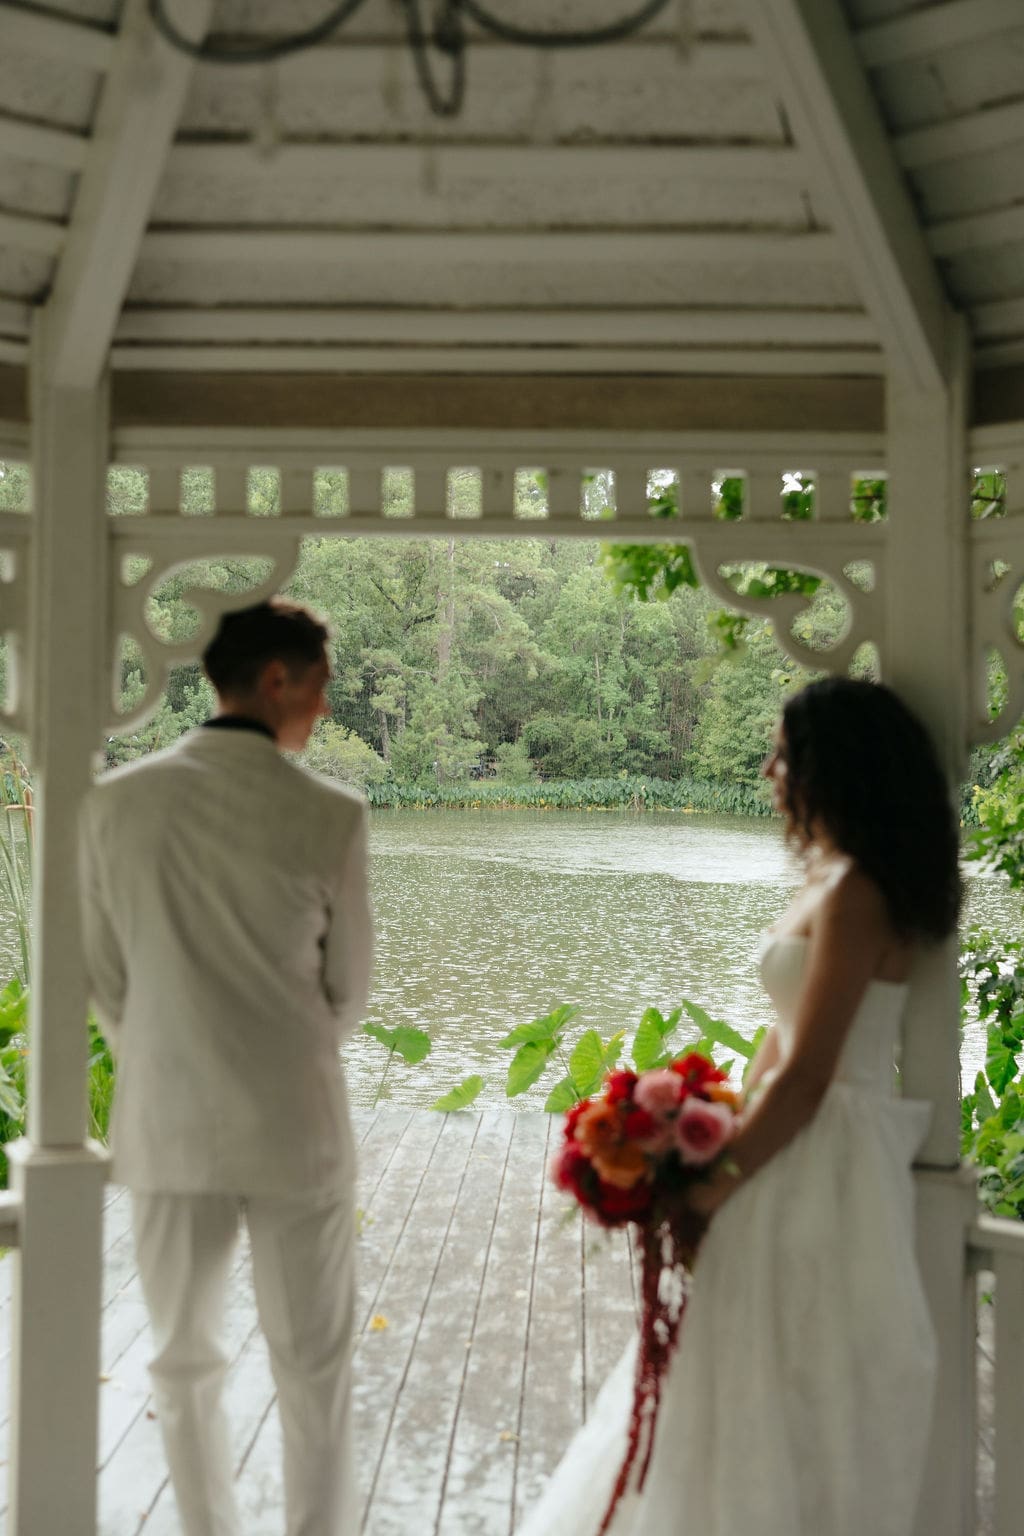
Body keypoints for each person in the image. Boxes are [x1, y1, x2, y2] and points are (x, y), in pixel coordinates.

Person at [519, 677, 961, 1536]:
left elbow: (809, 1071)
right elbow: (777, 1042)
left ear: (833, 769)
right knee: (738, 1366)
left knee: (797, 1373)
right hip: (782, 1137)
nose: (769, 771)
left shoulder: (859, 891)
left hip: (826, 1150)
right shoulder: (829, 881)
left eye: (785, 756)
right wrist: (703, 1122)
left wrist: (715, 1180)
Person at [78, 598, 373, 1536]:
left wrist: (171, 1054)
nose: (323, 709)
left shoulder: (116, 801)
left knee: (182, 1359)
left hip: (169, 1122)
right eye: (320, 689)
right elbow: (350, 992)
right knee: (314, 1365)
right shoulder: (330, 812)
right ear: (277, 680)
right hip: (298, 1124)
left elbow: (104, 976)